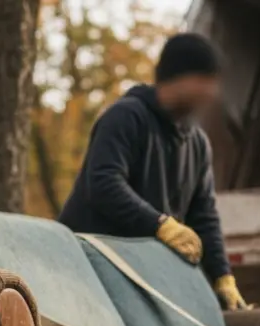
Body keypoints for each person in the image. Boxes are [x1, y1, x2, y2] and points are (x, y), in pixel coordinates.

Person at [58, 32, 246, 310]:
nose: (212, 92)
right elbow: (104, 183)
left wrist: (222, 276)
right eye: (206, 82)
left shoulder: (197, 143)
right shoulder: (125, 118)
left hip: (139, 274)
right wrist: (160, 224)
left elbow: (204, 215)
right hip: (87, 268)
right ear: (181, 77)